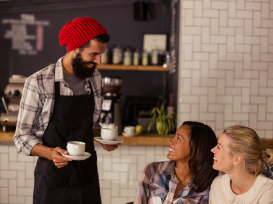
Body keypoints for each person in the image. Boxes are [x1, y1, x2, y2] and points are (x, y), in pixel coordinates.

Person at [13, 17, 118, 204]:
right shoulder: (38, 82)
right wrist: (49, 153)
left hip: (87, 177)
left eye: (101, 54)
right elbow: (21, 136)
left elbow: (90, 126)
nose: (99, 61)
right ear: (75, 48)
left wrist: (103, 138)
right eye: (93, 54)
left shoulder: (94, 78)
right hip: (52, 180)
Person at [134, 121, 218, 204]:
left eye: (178, 138)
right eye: (175, 136)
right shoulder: (153, 170)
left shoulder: (212, 188)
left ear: (196, 148)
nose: (170, 141)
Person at [210, 125, 273, 204]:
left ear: (237, 159)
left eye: (219, 147)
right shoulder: (217, 184)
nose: (213, 150)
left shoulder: (269, 190)